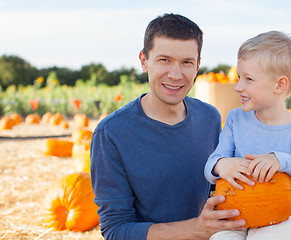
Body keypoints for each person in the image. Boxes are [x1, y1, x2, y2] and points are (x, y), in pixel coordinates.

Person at [90, 13, 246, 240]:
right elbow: (116, 230)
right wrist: (196, 229)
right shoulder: (111, 133)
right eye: (164, 60)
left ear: (198, 66)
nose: (175, 74)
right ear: (144, 61)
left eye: (186, 62)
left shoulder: (209, 117)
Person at [204, 31, 291, 239]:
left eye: (249, 79)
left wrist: (286, 163)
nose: (238, 87)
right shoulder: (235, 119)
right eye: (238, 77)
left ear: (279, 85)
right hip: (237, 218)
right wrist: (221, 164)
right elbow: (211, 168)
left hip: (282, 219)